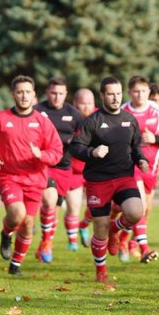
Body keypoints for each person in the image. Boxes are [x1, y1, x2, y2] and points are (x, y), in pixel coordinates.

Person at [0, 76, 64, 275]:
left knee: (28, 224)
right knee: (17, 214)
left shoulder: (42, 122)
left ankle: (15, 265)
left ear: (34, 95)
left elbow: (57, 151)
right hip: (8, 176)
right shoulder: (0, 118)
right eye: (20, 92)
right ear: (13, 94)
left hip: (34, 179)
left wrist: (42, 155)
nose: (24, 96)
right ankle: (6, 233)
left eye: (28, 92)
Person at [69, 76, 150, 284]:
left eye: (118, 93)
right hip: (98, 181)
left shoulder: (129, 119)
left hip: (124, 177)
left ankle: (116, 229)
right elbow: (75, 147)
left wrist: (140, 159)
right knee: (100, 228)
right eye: (110, 94)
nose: (115, 98)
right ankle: (101, 272)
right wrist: (92, 151)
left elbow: (135, 147)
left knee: (135, 212)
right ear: (102, 95)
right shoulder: (92, 122)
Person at [115, 75, 159, 262]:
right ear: (129, 93)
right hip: (130, 166)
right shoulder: (122, 111)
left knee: (145, 210)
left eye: (143, 91)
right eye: (136, 91)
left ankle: (121, 236)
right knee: (140, 207)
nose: (140, 95)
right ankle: (143, 248)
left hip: (151, 169)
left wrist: (156, 138)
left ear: (148, 92)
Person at [37, 77, 87, 260]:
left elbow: (82, 140)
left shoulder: (74, 115)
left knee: (55, 208)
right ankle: (46, 243)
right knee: (49, 202)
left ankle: (45, 241)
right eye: (53, 93)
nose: (56, 97)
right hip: (43, 166)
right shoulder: (38, 111)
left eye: (60, 93)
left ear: (66, 94)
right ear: (47, 93)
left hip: (65, 167)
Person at [71, 88, 97, 247]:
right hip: (74, 170)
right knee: (74, 206)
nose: (86, 107)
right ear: (75, 104)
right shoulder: (69, 118)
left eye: (90, 103)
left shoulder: (100, 117)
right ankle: (72, 241)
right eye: (82, 103)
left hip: (94, 169)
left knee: (97, 205)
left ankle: (83, 225)